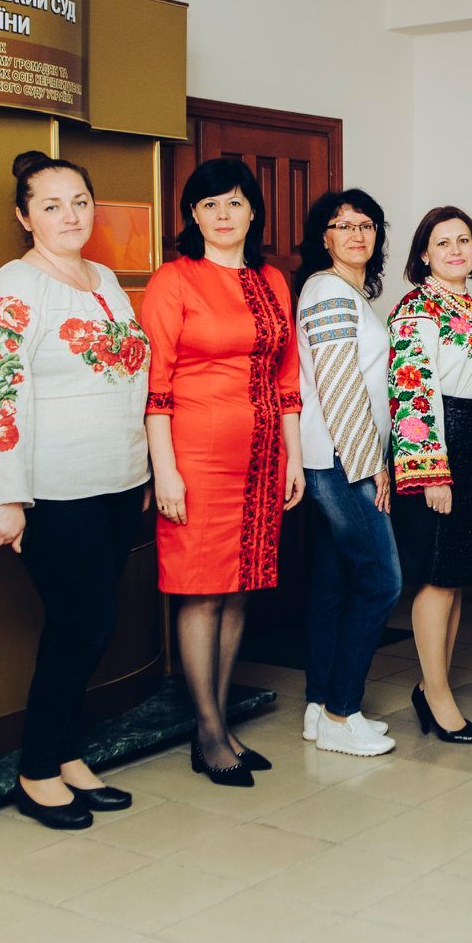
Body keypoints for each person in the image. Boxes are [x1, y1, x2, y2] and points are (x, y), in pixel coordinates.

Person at [0, 150, 148, 829]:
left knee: (94, 624)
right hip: (53, 489)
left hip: (115, 481)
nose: (70, 216)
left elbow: (126, 380)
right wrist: (3, 496)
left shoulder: (104, 279)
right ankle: (38, 768)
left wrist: (139, 469)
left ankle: (67, 755)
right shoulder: (14, 287)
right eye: (51, 205)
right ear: (24, 217)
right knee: (81, 623)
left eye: (79, 201)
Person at [142, 158, 303, 787]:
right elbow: (155, 385)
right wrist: (166, 472)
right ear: (193, 215)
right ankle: (207, 732)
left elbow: (287, 378)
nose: (223, 214)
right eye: (209, 204)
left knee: (239, 587)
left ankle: (222, 721)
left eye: (234, 202)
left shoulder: (272, 279)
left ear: (253, 210)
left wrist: (291, 456)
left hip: (261, 454)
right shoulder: (174, 280)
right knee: (201, 589)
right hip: (196, 457)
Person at [388, 206, 472, 745]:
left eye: (464, 240)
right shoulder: (417, 308)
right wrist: (431, 472)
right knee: (437, 576)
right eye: (443, 243)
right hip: (442, 445)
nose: (456, 250)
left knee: (457, 575)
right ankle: (438, 698)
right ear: (424, 254)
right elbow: (412, 391)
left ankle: (430, 685)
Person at [294, 189, 399, 758]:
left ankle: (319, 705)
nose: (356, 234)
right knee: (381, 580)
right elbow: (339, 387)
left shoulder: (344, 292)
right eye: (343, 225)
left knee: (334, 583)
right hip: (342, 457)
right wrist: (370, 465)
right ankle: (341, 712)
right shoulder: (329, 290)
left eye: (366, 225)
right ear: (325, 237)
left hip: (338, 454)